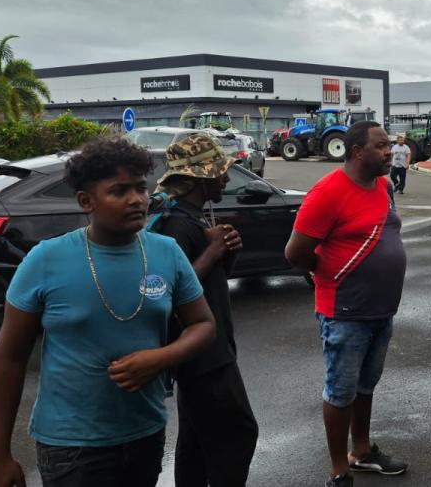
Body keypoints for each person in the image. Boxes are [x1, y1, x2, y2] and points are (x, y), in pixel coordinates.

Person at [0, 137, 216, 487]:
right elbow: (9, 358)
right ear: (86, 201)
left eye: (140, 188)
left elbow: (202, 324)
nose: (137, 199)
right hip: (69, 446)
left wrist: (160, 359)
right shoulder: (45, 260)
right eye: (119, 191)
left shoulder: (167, 252)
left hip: (145, 433)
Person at [285, 121, 409, 487]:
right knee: (340, 391)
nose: (390, 152)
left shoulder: (384, 187)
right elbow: (295, 252)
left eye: (389, 145)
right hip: (345, 312)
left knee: (366, 385)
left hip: (382, 309)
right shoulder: (327, 193)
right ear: (357, 152)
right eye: (381, 146)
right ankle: (339, 468)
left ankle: (362, 451)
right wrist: (327, 275)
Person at [153, 134, 258, 487]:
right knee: (239, 433)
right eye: (220, 172)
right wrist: (211, 253)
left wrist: (226, 253)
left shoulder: (194, 219)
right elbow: (171, 297)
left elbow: (210, 283)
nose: (226, 178)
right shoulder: (177, 226)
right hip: (204, 355)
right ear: (200, 178)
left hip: (209, 349)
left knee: (197, 441)